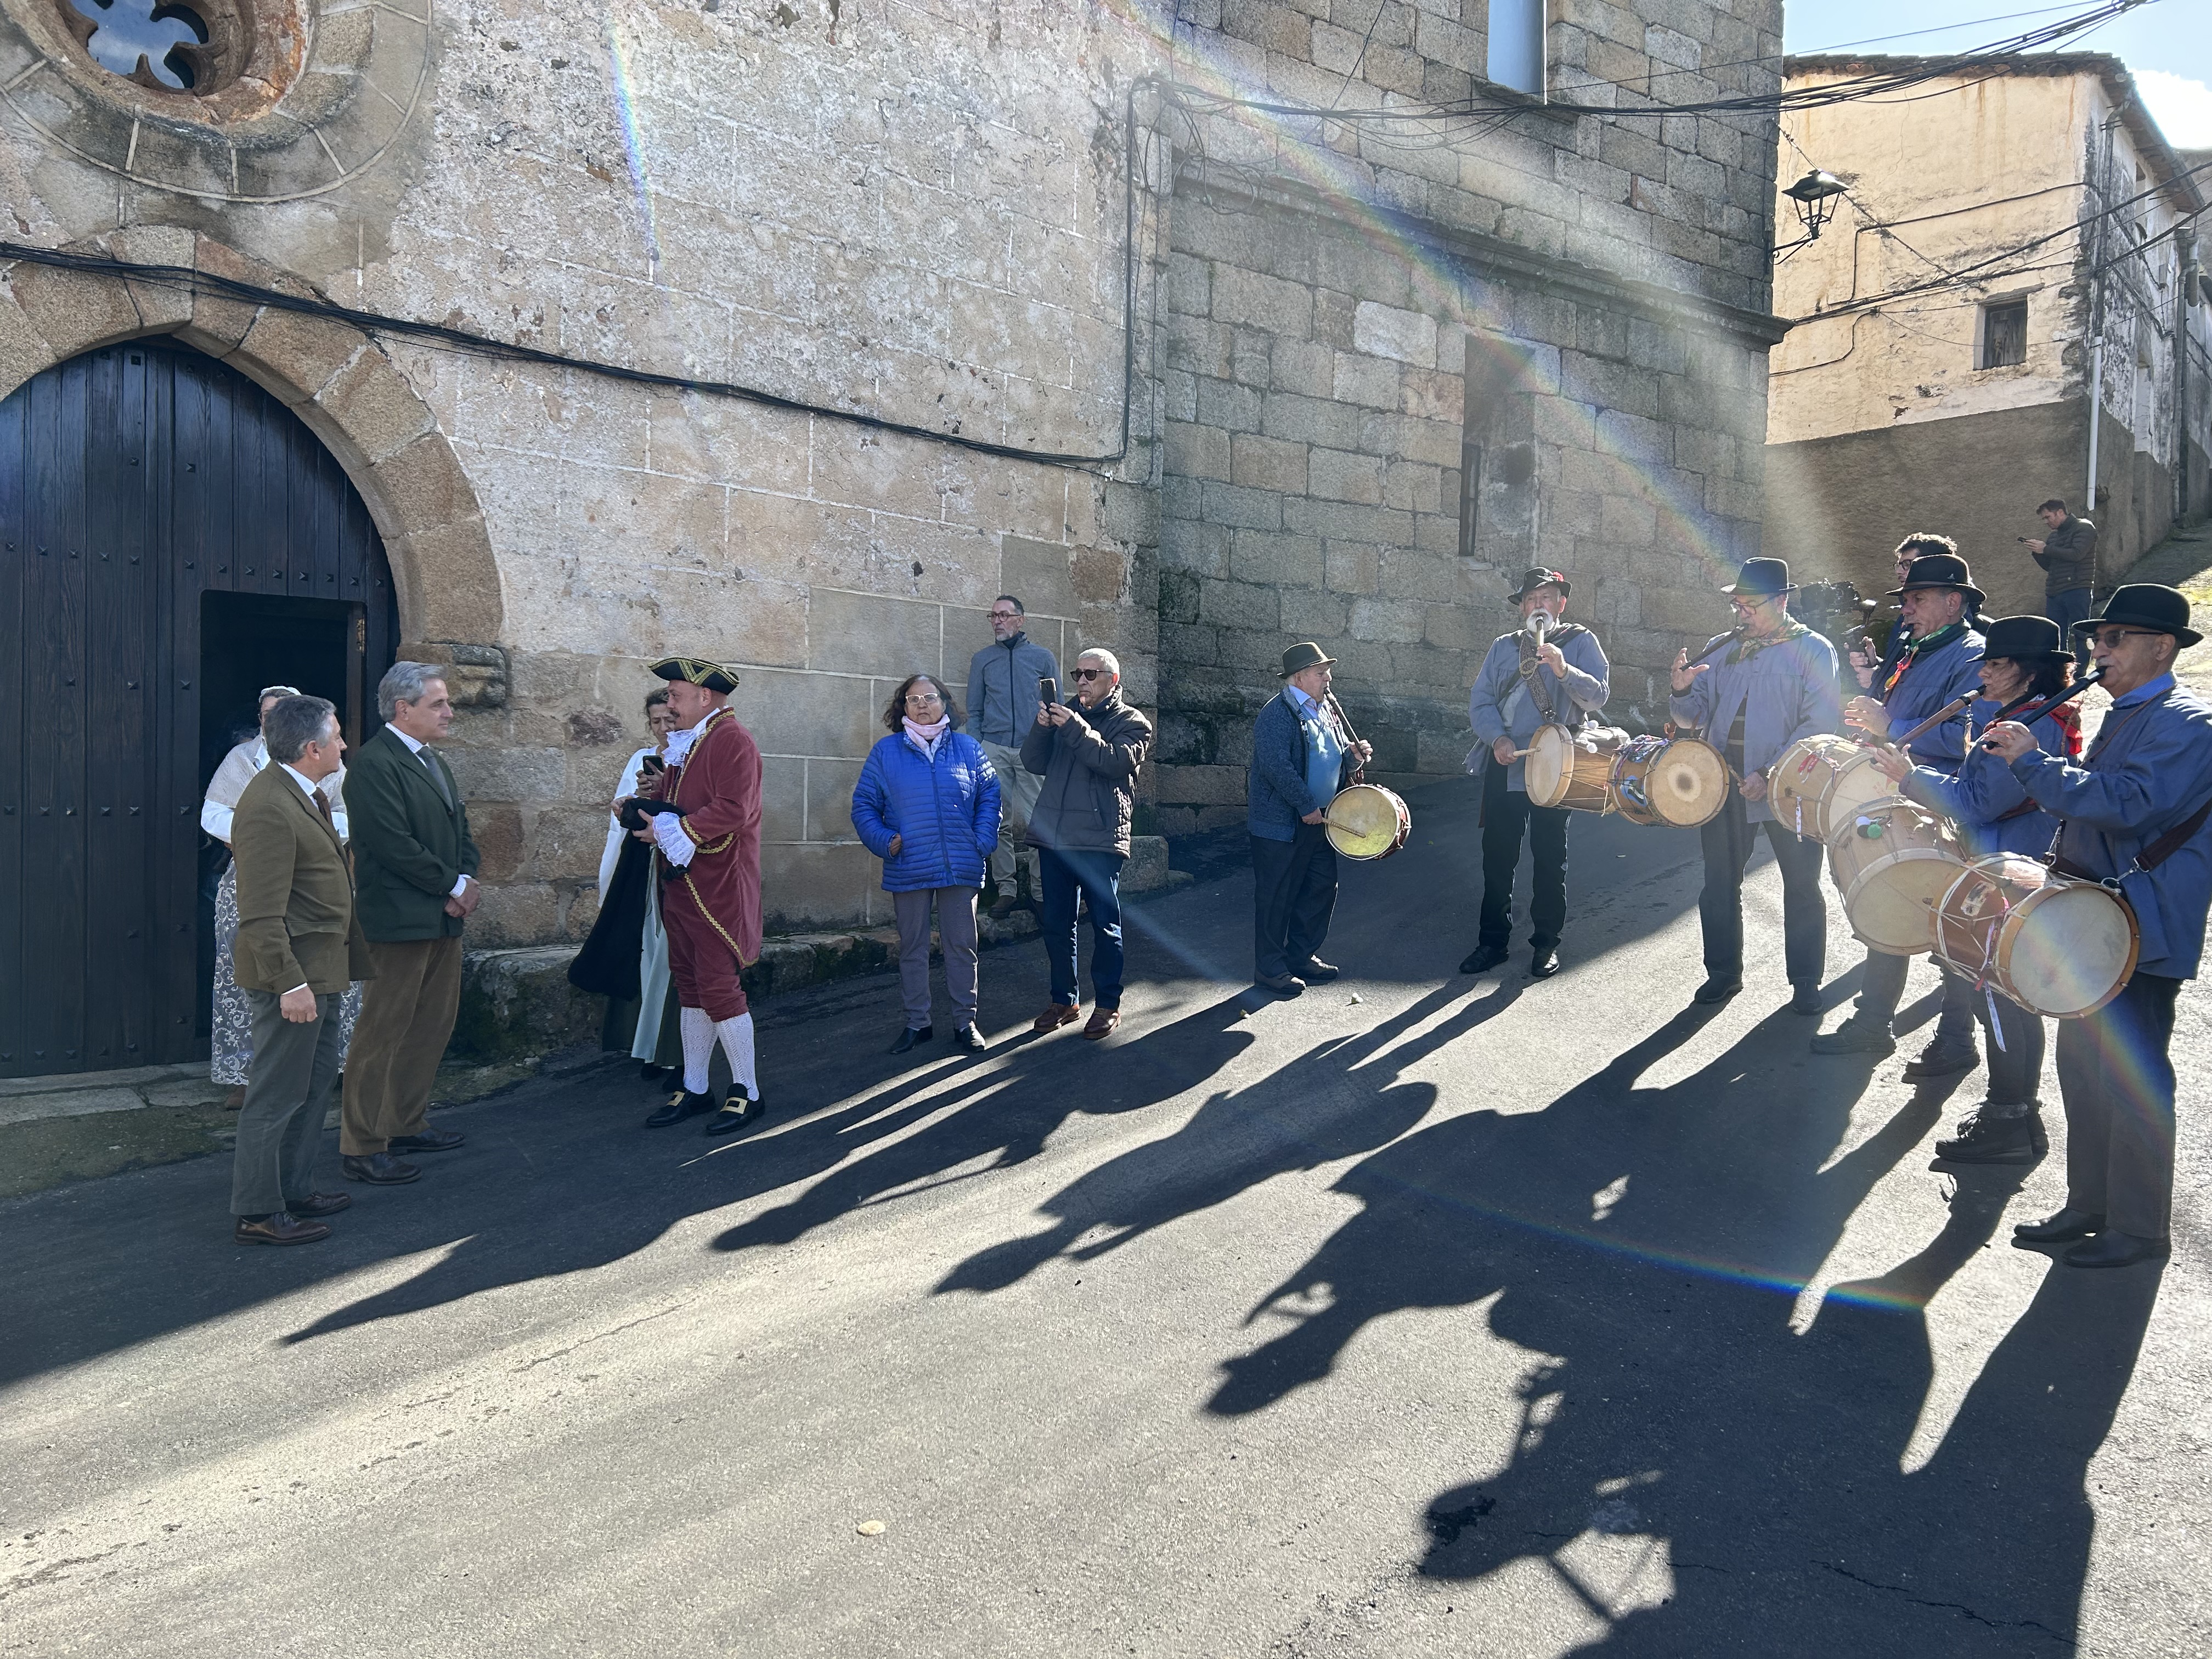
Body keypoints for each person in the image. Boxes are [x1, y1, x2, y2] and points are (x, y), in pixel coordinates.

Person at [1986, 583, 2212, 1268]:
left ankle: (2139, 1230)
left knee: (2134, 1079)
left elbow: (2129, 805)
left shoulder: (2185, 721)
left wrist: (2032, 760)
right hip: (2096, 918)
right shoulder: (2128, 713)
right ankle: (2089, 1204)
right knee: (2083, 1069)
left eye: (2114, 639)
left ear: (2161, 647)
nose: (2097, 650)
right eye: (2098, 638)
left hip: (2144, 928)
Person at [1870, 615, 2081, 1163]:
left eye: (1994, 664)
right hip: (2008, 864)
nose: (1983, 672)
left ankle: (2011, 1118)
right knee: (2001, 993)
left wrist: (1908, 775)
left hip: (2010, 870)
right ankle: (2010, 1112)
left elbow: (1976, 802)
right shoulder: (2018, 714)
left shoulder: (2020, 725)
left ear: (2025, 672)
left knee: (2007, 998)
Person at [1812, 552, 1986, 1074]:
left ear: (1954, 602)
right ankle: (1873, 1023)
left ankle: (1956, 1038)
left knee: (1954, 923)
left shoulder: (1974, 655)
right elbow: (1890, 714)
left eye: (1917, 598)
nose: (1906, 607)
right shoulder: (1911, 646)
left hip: (1940, 804)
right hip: (1899, 798)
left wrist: (1891, 721)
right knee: (1888, 900)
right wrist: (1870, 701)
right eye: (1905, 598)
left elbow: (1967, 736)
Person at [226, 696, 373, 1245]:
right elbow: (260, 914)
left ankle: (293, 1188)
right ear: (312, 748)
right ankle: (259, 1211)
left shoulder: (299, 793)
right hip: (295, 978)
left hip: (322, 970)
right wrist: (290, 983)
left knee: (311, 1089)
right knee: (276, 1093)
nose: (342, 745)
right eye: (336, 737)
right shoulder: (267, 805)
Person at [1669, 558, 1842, 1010]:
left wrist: (1770, 774)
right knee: (1719, 882)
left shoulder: (1814, 650)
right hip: (1724, 785)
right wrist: (1683, 691)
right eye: (1737, 605)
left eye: (1750, 605)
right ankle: (1723, 973)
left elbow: (1820, 724)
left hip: (1791, 787)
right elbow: (1692, 718)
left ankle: (1806, 980)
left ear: (1782, 601)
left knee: (1802, 884)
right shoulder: (1721, 647)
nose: (1741, 613)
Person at [340, 663, 482, 1186]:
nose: (449, 712)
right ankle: (361, 1144)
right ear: (404, 709)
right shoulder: (375, 765)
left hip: (443, 917)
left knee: (430, 1026)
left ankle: (404, 1121)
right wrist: (452, 885)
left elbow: (460, 828)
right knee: (383, 1030)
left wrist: (465, 878)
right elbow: (392, 844)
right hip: (400, 921)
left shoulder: (433, 760)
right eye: (438, 704)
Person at [624, 657, 766, 1137]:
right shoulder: (693, 742)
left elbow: (733, 809)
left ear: (705, 697)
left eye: (675, 695)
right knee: (689, 984)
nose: (669, 704)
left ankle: (747, 1089)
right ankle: (696, 1083)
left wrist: (668, 829)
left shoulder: (733, 740)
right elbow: (681, 798)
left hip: (717, 883)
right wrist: (644, 803)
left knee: (718, 987)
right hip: (684, 881)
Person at [203, 686, 363, 1109]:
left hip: (312, 883)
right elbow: (213, 812)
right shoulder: (244, 762)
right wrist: (258, 837)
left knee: (325, 984)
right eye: (266, 714)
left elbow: (346, 812)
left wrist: (315, 839)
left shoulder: (328, 764)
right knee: (259, 976)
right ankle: (249, 1075)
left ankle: (331, 1069)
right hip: (260, 876)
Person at [1461, 567, 1611, 979]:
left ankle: (1546, 944)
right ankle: (1492, 943)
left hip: (1555, 767)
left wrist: (1563, 670)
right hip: (1505, 765)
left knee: (1550, 860)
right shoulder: (1503, 647)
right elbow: (1481, 702)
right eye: (1530, 600)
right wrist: (1497, 740)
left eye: (1545, 598)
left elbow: (1597, 696)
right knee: (1497, 860)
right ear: (1522, 608)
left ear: (1560, 604)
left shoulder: (1580, 642)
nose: (1537, 606)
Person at [851, 674, 1002, 1053]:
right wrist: (885, 842)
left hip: (960, 866)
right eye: (913, 698)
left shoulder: (968, 748)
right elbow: (864, 806)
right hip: (910, 865)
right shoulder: (886, 753)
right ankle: (918, 1023)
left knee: (962, 945)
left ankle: (965, 1022)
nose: (921, 704)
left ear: (945, 703)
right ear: (902, 707)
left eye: (929, 697)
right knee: (913, 948)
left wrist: (982, 841)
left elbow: (990, 795)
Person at [1021, 647, 1152, 1040]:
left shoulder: (1134, 722)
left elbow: (1113, 763)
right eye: (1077, 673)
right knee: (1057, 925)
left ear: (1112, 680)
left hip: (1099, 841)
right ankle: (1065, 999)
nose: (1081, 681)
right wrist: (1044, 726)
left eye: (1090, 674)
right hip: (1054, 838)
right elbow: (1032, 761)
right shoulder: (1064, 715)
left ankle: (1108, 1004)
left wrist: (1074, 727)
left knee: (1105, 926)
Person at [1247, 642, 1374, 996]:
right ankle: (1270, 968)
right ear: (1299, 678)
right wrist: (1305, 805)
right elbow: (1276, 767)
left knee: (1321, 888)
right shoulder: (1277, 714)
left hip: (1322, 821)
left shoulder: (1327, 709)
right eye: (1321, 673)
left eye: (1327, 672)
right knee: (1276, 896)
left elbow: (1332, 758)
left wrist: (1355, 758)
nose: (1328, 678)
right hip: (1283, 825)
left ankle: (1301, 956)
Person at [600, 689, 682, 1081]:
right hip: (643, 871)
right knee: (648, 954)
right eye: (656, 722)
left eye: (670, 719)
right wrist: (628, 805)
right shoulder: (640, 759)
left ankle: (673, 1054)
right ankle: (645, 1045)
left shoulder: (690, 759)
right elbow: (621, 817)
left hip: (677, 872)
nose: (664, 729)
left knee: (672, 959)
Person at [966, 595, 1058, 919]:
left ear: (1021, 620)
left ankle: (1041, 892)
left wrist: (1048, 743)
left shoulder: (1042, 658)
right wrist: (977, 747)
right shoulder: (983, 660)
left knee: (1039, 821)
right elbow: (974, 710)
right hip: (994, 746)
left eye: (1004, 615)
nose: (997, 621)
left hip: (1033, 747)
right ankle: (1005, 890)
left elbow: (1053, 706)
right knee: (997, 821)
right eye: (993, 616)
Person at [2023, 497, 2097, 659]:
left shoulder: (2084, 528)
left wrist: (2046, 549)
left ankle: (2081, 673)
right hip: (2055, 592)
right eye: (2044, 519)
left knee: (2081, 632)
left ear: (2061, 513)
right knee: (2056, 634)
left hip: (2077, 589)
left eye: (2048, 517)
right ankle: (2061, 671)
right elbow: (2050, 566)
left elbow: (2077, 554)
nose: (2046, 522)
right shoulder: (2054, 537)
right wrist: (2037, 552)